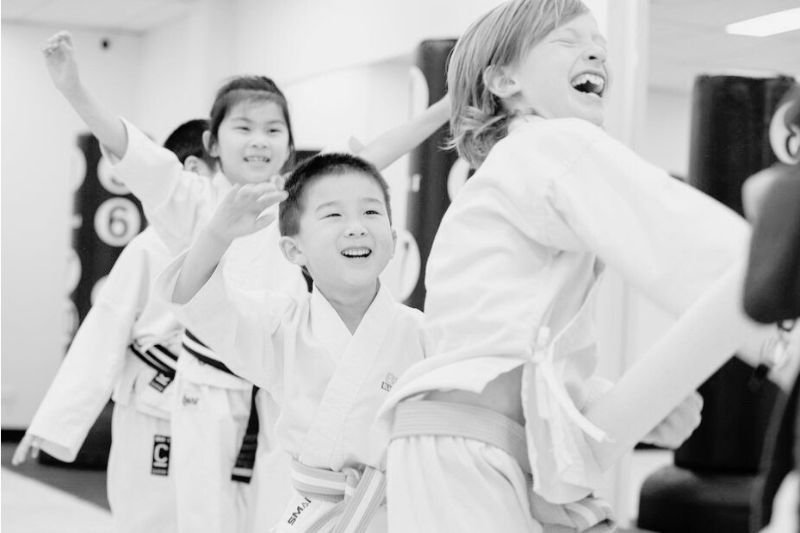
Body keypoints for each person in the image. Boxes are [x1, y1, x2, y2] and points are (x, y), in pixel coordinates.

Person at [373, 1, 779, 531]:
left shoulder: (505, 175)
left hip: (466, 443)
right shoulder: (551, 144)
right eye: (566, 41)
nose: (595, 52)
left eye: (600, 47)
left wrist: (619, 403)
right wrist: (782, 319)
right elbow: (683, 239)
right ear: (503, 79)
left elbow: (511, 341)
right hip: (470, 447)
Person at [42, 29, 449, 533]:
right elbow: (132, 150)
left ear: (289, 142)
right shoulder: (191, 197)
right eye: (245, 128)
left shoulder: (297, 198)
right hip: (210, 379)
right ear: (212, 142)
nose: (260, 141)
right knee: (203, 514)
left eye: (274, 130)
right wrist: (74, 89)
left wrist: (446, 107)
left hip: (279, 377)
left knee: (277, 508)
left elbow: (374, 153)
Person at [158, 152, 426, 532]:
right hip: (315, 515)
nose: (356, 228)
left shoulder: (421, 332)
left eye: (371, 213)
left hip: (405, 514)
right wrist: (217, 234)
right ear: (293, 250)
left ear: (393, 238)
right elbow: (194, 296)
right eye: (333, 215)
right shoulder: (281, 326)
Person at [11, 118, 215, 533]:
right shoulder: (149, 247)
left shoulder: (248, 247)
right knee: (152, 517)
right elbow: (104, 332)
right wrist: (57, 420)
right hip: (157, 405)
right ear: (193, 172)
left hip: (223, 407)